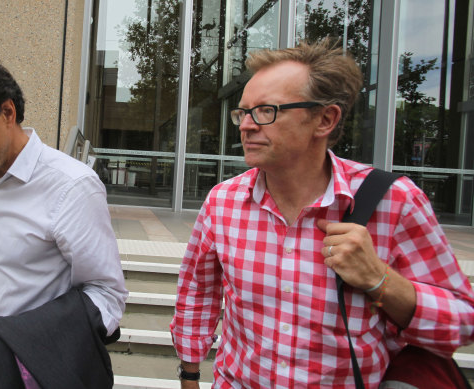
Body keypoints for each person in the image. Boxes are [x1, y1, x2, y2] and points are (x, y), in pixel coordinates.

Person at [170, 39, 474, 388]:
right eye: (243, 112)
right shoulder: (223, 202)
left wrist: (380, 279)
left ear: (325, 119)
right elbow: (198, 292)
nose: (247, 125)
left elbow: (461, 322)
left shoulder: (395, 202)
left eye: (267, 111)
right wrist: (189, 375)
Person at [0, 52, 128, 388]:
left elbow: (107, 297)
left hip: (24, 375)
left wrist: (6, 341)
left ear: (7, 112)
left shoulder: (72, 186)